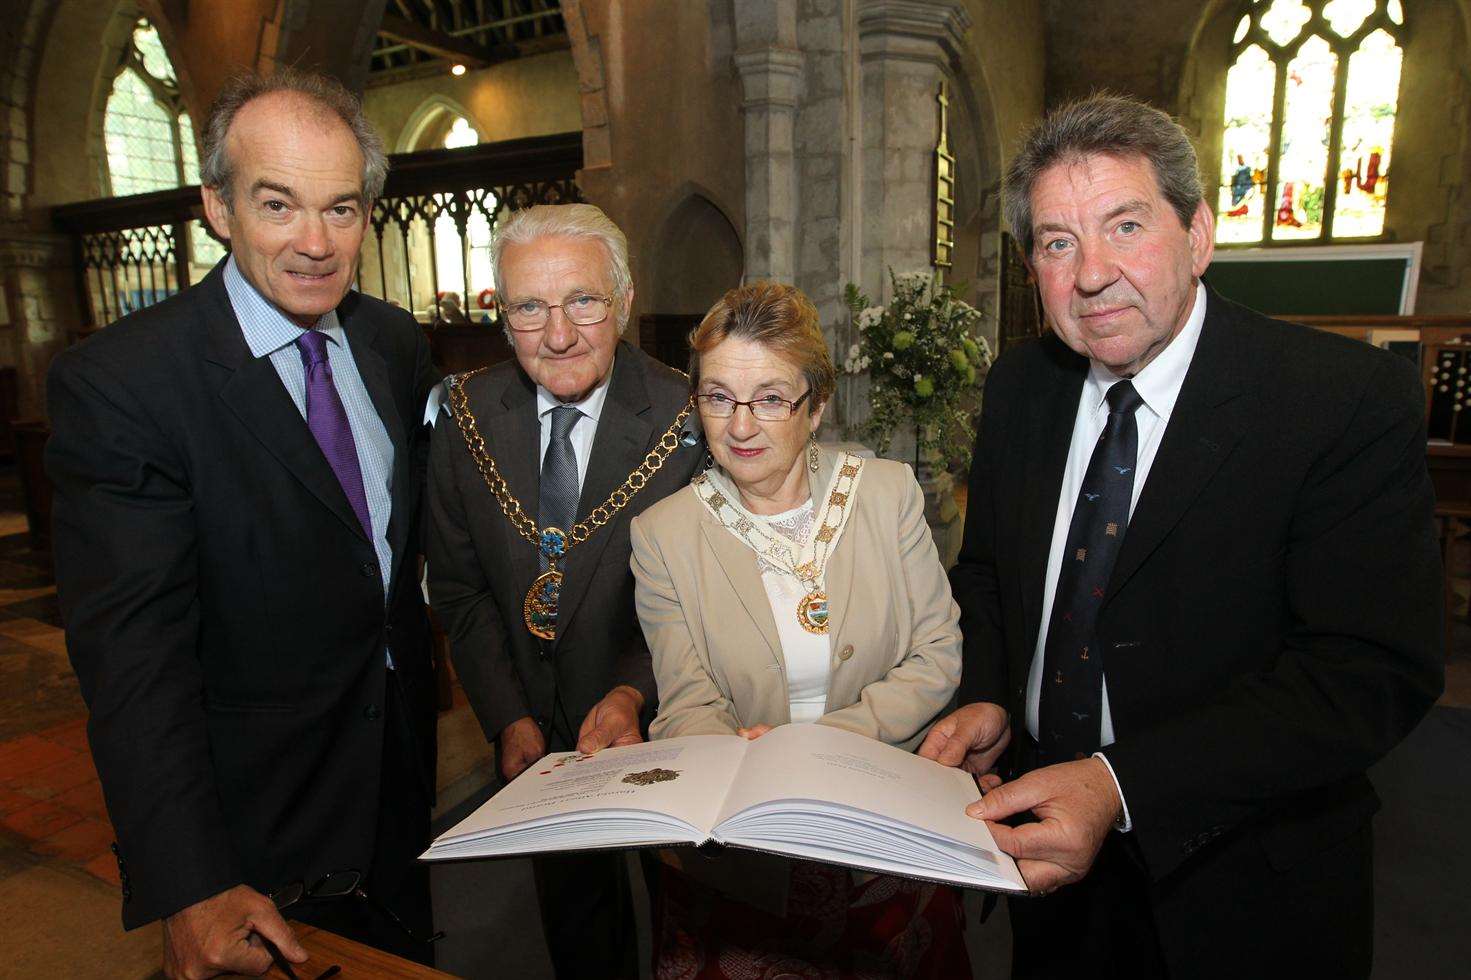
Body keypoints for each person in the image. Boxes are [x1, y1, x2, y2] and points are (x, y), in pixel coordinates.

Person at [920, 94, 1443, 978]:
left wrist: (1120, 785)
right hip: (1043, 852)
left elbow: (1367, 671)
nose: (1090, 274)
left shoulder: (1338, 400)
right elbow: (989, 579)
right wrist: (989, 694)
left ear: (1198, 233)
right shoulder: (1021, 387)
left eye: (1124, 226)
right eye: (1056, 242)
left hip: (1243, 881)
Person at [46, 69, 442, 978]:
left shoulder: (391, 343)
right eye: (278, 205)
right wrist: (190, 881)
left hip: (397, 774)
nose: (315, 243)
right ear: (216, 207)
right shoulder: (125, 384)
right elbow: (134, 660)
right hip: (253, 821)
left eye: (342, 209)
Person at [630, 281, 969, 978]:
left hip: (883, 837)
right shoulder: (662, 535)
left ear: (815, 407)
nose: (741, 426)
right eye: (717, 396)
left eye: (771, 399)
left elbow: (936, 652)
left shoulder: (884, 495)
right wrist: (740, 767)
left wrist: (815, 749)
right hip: (743, 865)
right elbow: (686, 698)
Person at [426, 202, 705, 978]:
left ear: (622, 301)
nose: (557, 335)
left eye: (582, 301)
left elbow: (711, 598)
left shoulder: (690, 417)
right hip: (537, 742)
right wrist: (507, 713)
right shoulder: (466, 414)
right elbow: (459, 589)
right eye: (529, 308)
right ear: (501, 312)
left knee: (685, 923)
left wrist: (632, 691)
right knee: (581, 932)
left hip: (665, 722)